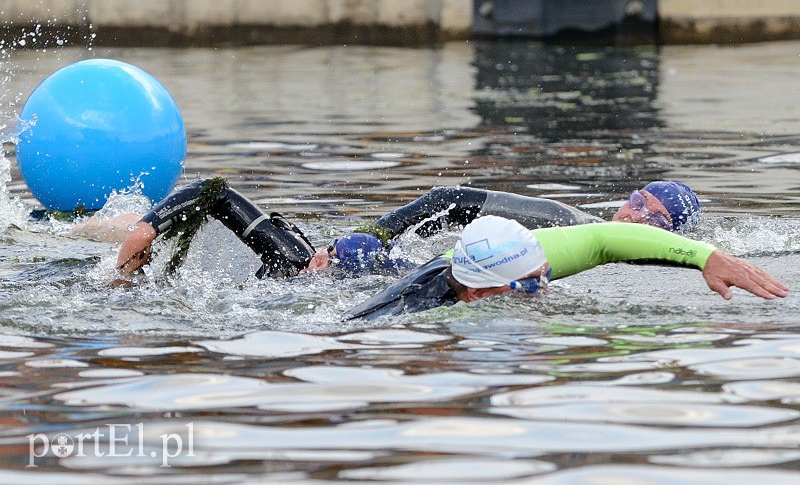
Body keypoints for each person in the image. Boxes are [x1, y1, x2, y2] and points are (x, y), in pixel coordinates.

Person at [108, 178, 702, 278]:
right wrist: (146, 228)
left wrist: (371, 248)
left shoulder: (577, 233)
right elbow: (215, 193)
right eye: (635, 199)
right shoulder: (295, 258)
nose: (632, 213)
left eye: (649, 214)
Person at [342, 215, 789, 321]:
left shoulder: (504, 266)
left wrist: (707, 257)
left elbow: (602, 238)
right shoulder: (406, 317)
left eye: (545, 276)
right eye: (531, 286)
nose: (545, 289)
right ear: (476, 294)